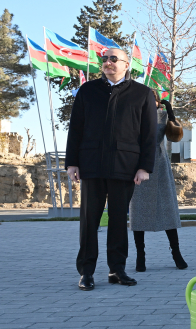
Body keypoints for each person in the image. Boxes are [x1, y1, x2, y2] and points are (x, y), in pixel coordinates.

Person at [66, 48, 157, 291]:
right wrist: (72, 162)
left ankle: (117, 270)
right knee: (89, 221)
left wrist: (144, 167)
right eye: (104, 59)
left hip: (124, 166)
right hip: (91, 165)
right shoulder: (88, 91)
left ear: (127, 64)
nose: (107, 62)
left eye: (113, 59)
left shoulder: (142, 94)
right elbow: (75, 129)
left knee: (118, 220)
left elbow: (149, 135)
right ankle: (86, 272)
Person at [130, 95, 187, 271]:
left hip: (159, 165)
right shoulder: (132, 115)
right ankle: (141, 256)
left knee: (168, 209)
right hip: (137, 165)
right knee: (138, 212)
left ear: (157, 101)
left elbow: (175, 138)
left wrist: (170, 113)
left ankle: (176, 252)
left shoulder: (162, 116)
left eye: (152, 99)